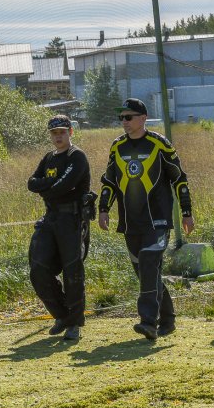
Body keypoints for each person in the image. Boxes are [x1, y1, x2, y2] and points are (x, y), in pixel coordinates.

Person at [98, 98, 194, 340]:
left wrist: (186, 212)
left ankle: (148, 321)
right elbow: (109, 181)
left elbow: (179, 179)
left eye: (128, 117)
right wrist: (103, 209)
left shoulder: (159, 144)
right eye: (121, 118)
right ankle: (168, 319)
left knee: (149, 261)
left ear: (143, 118)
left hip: (158, 220)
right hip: (130, 223)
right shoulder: (116, 146)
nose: (124, 122)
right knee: (146, 273)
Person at [28, 115, 91, 341]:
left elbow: (65, 185)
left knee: (72, 272)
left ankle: (74, 323)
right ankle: (62, 315)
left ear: (70, 133)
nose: (58, 136)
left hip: (72, 220)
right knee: (38, 269)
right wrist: (48, 186)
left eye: (62, 132)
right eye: (54, 133)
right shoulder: (48, 158)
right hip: (51, 218)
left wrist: (45, 187)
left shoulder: (77, 157)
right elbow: (31, 183)